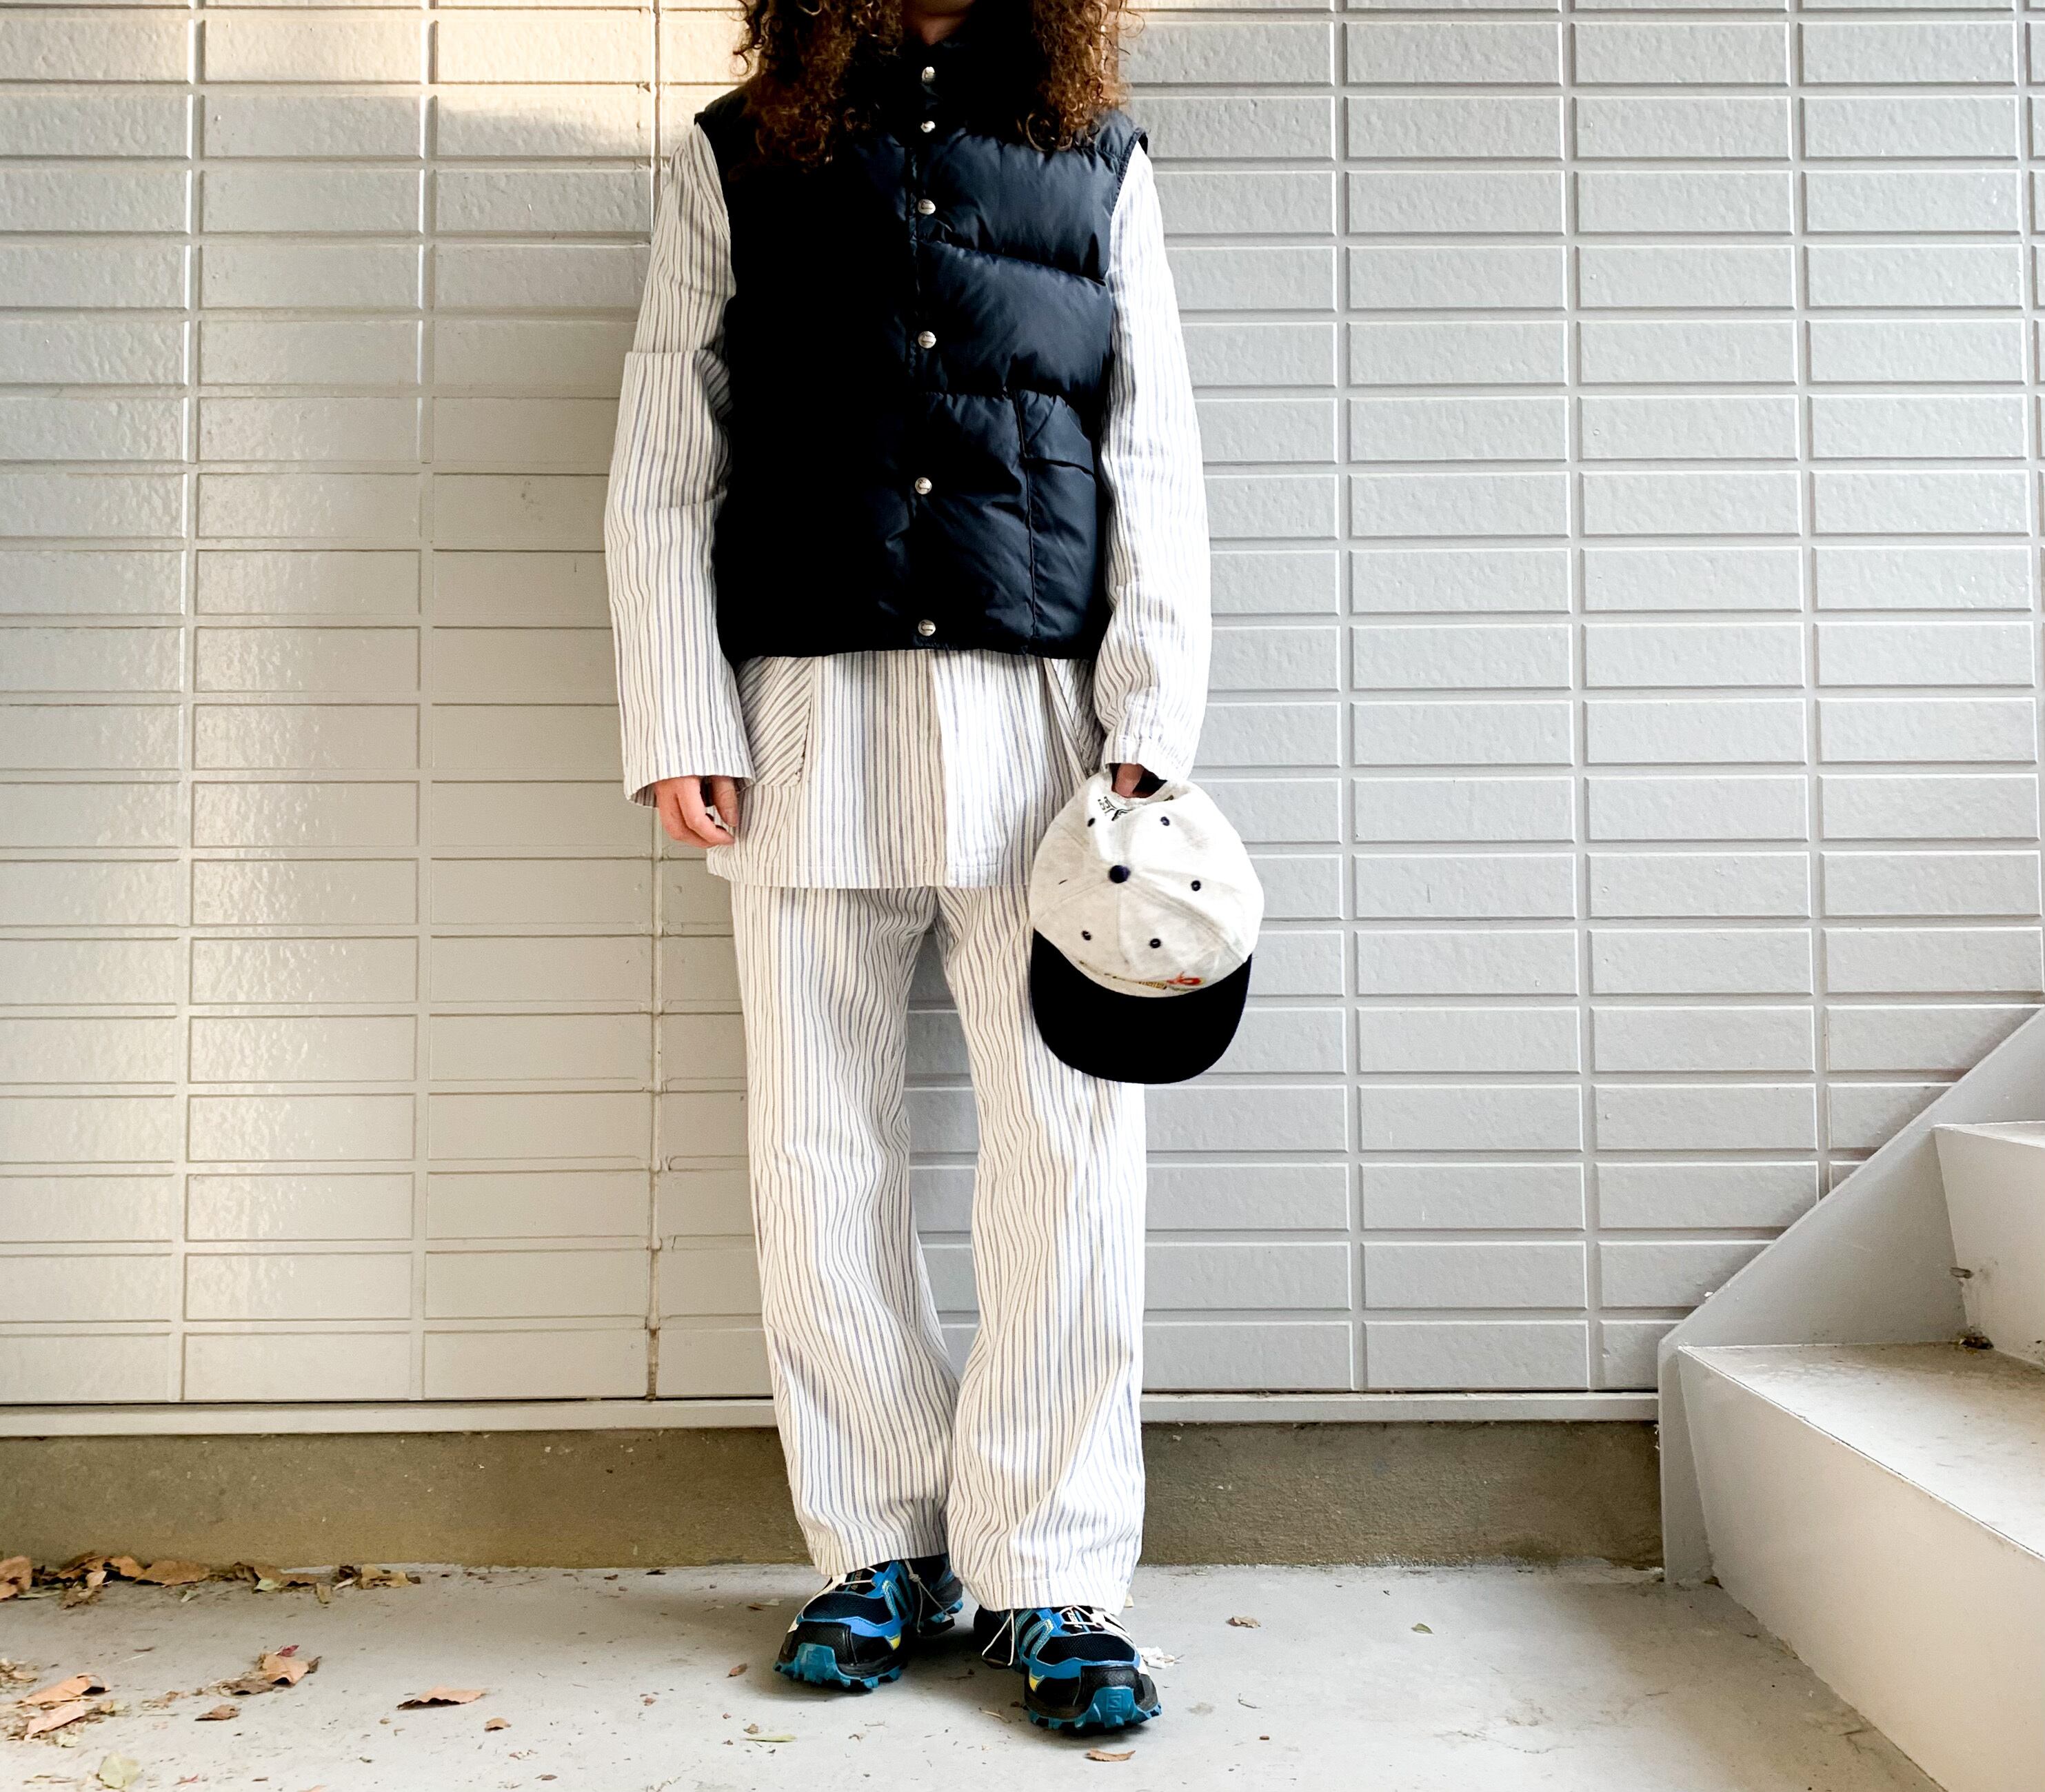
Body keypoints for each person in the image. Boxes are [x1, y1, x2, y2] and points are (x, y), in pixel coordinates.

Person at [603, 0, 1209, 1738]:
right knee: (815, 1142)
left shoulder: (1094, 156)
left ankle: (1054, 1570)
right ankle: (875, 1544)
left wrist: (1150, 711)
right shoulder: (738, 154)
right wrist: (681, 709)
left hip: (1044, 730)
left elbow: (1150, 439)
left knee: (1069, 1148)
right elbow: (667, 451)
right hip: (804, 711)